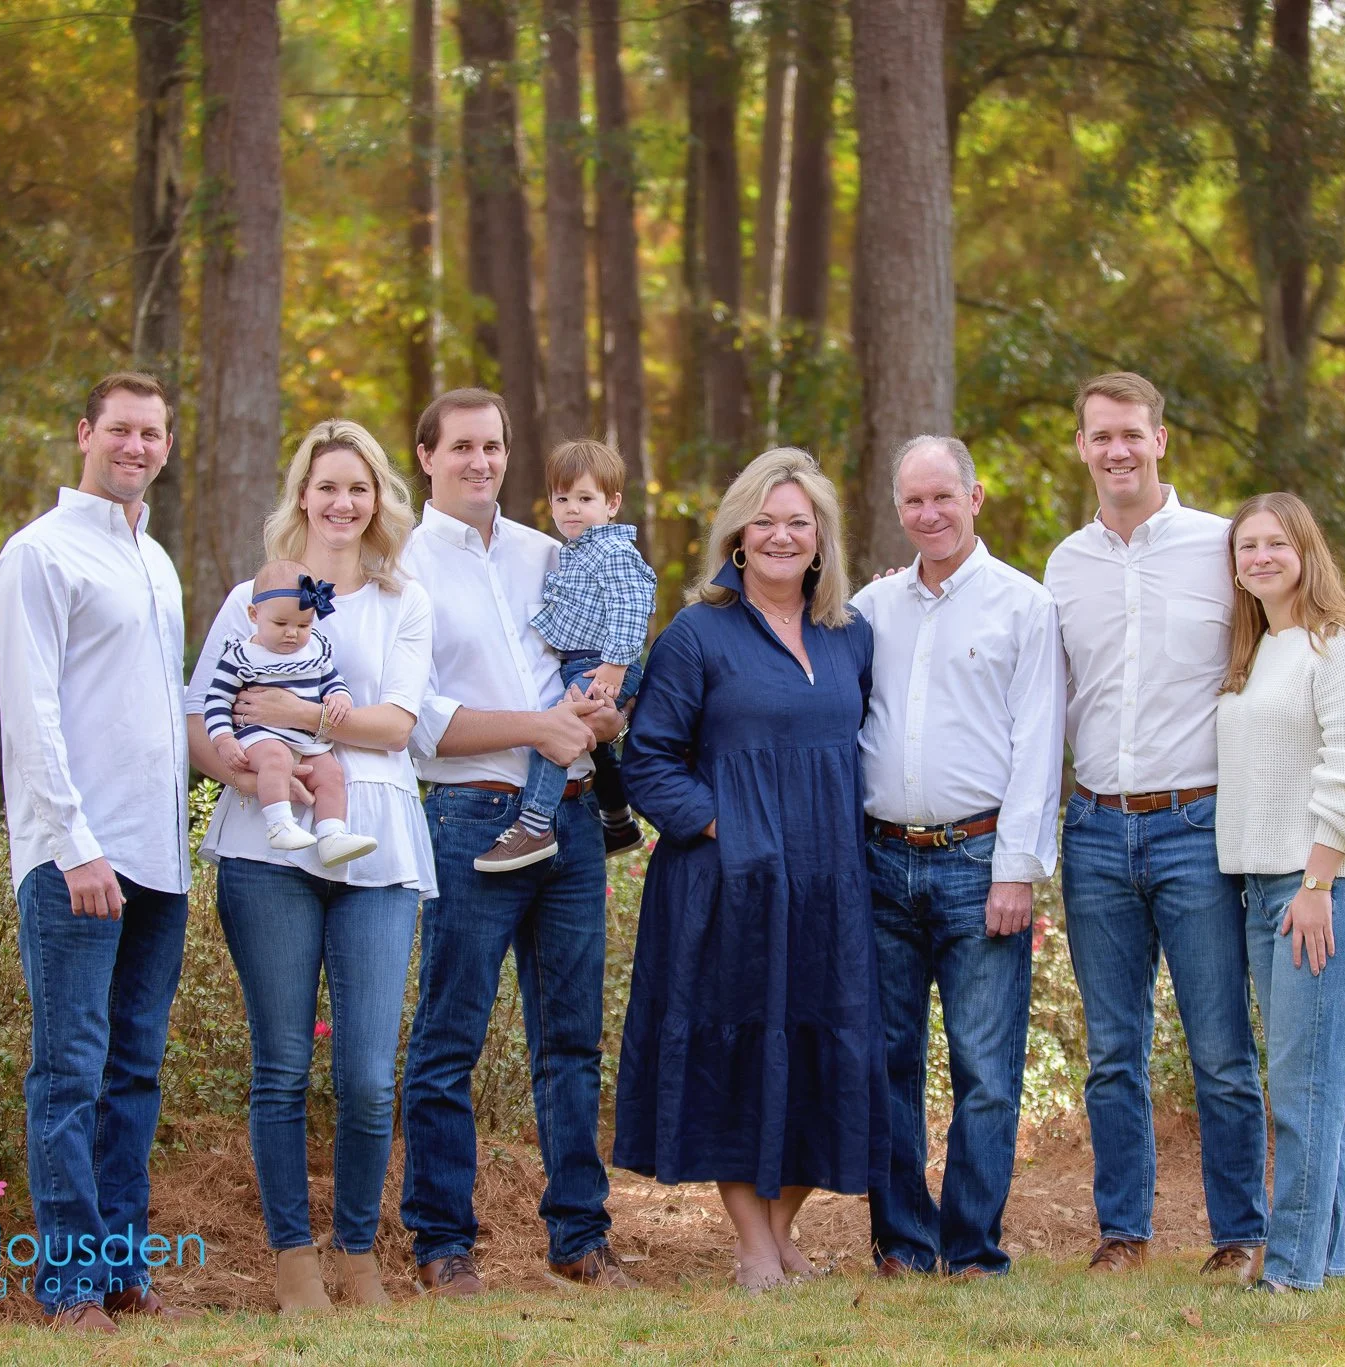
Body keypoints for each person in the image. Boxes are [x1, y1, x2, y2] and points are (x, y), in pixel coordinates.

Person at [616, 447, 886, 1293]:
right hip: (727, 886)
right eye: (763, 520)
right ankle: (753, 1247)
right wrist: (727, 827)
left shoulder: (851, 635)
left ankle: (782, 1228)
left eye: (798, 521)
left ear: (822, 538)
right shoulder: (697, 634)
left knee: (826, 1047)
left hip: (830, 885)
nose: (780, 535)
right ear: (737, 533)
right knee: (736, 1056)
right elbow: (647, 757)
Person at [185, 420, 435, 1314]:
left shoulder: (405, 599)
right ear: (302, 494)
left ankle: (358, 1252)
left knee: (367, 1075)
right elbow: (202, 719)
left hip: (377, 840)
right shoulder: (250, 597)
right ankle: (293, 1257)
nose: (342, 502)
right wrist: (253, 773)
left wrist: (297, 713)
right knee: (283, 1065)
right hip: (270, 846)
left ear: (378, 499)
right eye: (327, 485)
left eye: (358, 487)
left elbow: (396, 726)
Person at [398, 388, 632, 1295]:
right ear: (427, 455)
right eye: (462, 446)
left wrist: (604, 713)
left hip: (570, 816)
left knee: (570, 1042)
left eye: (493, 446)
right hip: (472, 818)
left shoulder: (550, 552)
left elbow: (595, 669)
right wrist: (538, 727)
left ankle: (580, 1236)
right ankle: (442, 1244)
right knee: (448, 1039)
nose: (481, 461)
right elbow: (417, 719)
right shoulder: (403, 564)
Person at [1043, 371, 1269, 1279]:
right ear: (1082, 447)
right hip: (1096, 829)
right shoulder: (1064, 565)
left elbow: (1289, 629)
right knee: (1112, 1053)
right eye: (1101, 435)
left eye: (1131, 433)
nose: (1117, 450)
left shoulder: (1221, 547)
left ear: (1160, 440)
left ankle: (1240, 1234)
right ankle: (1123, 1234)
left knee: (1220, 1048)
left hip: (1196, 828)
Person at [0, 371, 194, 1332]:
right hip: (77, 859)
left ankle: (122, 1272)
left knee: (134, 1073)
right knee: (70, 1071)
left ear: (166, 444)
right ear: (84, 433)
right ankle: (68, 1285)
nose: (136, 446)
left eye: (151, 432)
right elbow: (31, 715)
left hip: (157, 860)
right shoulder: (39, 555)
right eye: (120, 429)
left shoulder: (156, 560)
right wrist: (76, 846)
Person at [853, 436, 1065, 1279]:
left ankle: (973, 1245)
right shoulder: (871, 608)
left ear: (975, 498)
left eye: (944, 496)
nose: (929, 513)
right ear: (897, 507)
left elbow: (1038, 744)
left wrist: (1017, 869)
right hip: (881, 862)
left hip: (979, 862)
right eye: (913, 500)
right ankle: (904, 1242)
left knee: (985, 1069)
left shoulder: (1024, 605)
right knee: (887, 1062)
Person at [1216, 491, 1345, 1294]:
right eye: (1246, 546)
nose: (1260, 556)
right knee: (1313, 1082)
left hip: (1322, 886)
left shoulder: (1340, 643)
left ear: (1306, 552)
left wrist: (1318, 881)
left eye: (1275, 543)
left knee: (1305, 1088)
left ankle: (1289, 1272)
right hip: (1265, 891)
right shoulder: (1260, 649)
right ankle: (1327, 1256)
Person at [476, 437, 656, 872]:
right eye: (562, 499)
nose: (572, 508)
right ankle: (618, 820)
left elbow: (633, 605)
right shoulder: (574, 552)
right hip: (583, 660)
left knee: (558, 725)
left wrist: (615, 664)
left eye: (585, 498)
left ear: (612, 504)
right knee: (591, 741)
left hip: (604, 662)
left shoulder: (613, 551)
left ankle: (535, 823)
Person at [202, 556, 378, 867]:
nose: (292, 634)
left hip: (306, 738)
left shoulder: (314, 651)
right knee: (277, 758)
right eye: (281, 624)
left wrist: (339, 697)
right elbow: (216, 700)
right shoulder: (242, 656)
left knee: (331, 772)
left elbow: (331, 680)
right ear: (254, 614)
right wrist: (224, 740)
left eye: (303, 625)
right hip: (260, 738)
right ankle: (279, 823)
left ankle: (332, 834)